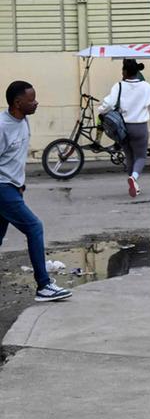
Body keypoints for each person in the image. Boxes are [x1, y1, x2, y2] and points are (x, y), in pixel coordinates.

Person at [0, 82, 71, 304]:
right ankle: (44, 285)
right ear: (18, 103)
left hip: (13, 187)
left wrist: (20, 184)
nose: (36, 103)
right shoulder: (2, 126)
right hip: (2, 188)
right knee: (34, 227)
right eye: (31, 100)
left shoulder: (24, 120)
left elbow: (15, 157)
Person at [98, 59, 150, 198]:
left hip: (123, 127)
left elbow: (108, 104)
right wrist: (147, 116)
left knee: (129, 156)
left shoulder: (119, 86)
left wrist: (100, 110)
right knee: (141, 156)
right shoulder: (146, 87)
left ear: (124, 72)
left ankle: (133, 182)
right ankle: (134, 178)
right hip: (140, 127)